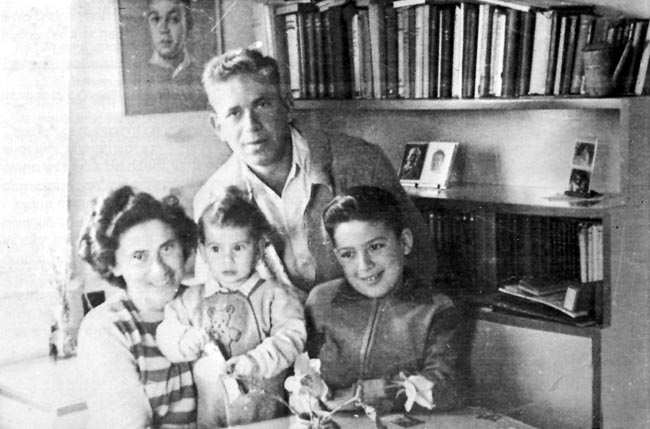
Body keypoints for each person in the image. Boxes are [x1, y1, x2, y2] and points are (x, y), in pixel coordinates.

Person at [194, 48, 434, 293]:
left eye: (262, 105)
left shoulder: (360, 162)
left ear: (287, 106)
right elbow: (216, 296)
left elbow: (419, 260)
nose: (251, 126)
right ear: (217, 126)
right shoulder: (210, 201)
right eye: (234, 113)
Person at [156, 187, 306, 428]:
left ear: (259, 249)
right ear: (202, 251)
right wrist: (184, 340)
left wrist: (257, 361)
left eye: (238, 248)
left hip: (269, 419)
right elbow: (166, 331)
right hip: (211, 420)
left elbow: (293, 336)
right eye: (216, 249)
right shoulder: (190, 300)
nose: (227, 259)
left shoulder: (276, 295)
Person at [306, 186, 462, 414]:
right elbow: (300, 372)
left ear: (405, 242)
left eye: (376, 247)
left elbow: (444, 387)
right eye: (348, 254)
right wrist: (302, 396)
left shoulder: (437, 308)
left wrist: (363, 394)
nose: (364, 265)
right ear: (338, 257)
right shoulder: (320, 301)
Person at [77, 186, 198, 429]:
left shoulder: (206, 302)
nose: (159, 269)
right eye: (139, 256)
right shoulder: (105, 328)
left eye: (167, 248)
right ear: (114, 265)